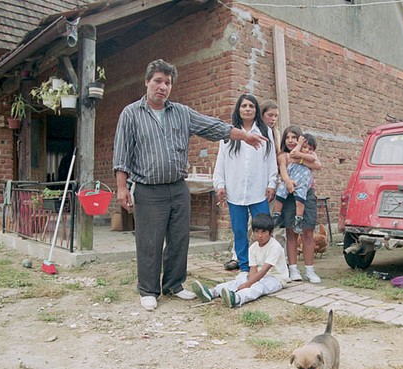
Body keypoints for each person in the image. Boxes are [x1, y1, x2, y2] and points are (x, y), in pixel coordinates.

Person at [113, 59, 268, 311]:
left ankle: (174, 284)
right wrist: (121, 188)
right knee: (149, 241)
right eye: (158, 81)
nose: (163, 87)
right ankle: (148, 290)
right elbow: (121, 154)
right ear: (147, 82)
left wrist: (245, 135)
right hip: (147, 189)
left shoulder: (182, 113)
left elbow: (213, 127)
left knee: (179, 238)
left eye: (168, 82)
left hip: (177, 187)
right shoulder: (131, 114)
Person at [213, 94, 278, 275]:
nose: (248, 109)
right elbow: (221, 162)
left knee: (264, 229)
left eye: (251, 106)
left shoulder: (265, 132)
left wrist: (272, 182)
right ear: (238, 109)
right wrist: (220, 184)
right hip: (235, 190)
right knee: (239, 230)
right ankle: (244, 267)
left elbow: (271, 160)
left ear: (256, 110)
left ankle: (264, 266)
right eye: (244, 106)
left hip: (258, 191)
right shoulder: (229, 133)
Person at [191, 213, 288, 307]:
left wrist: (249, 284)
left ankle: (237, 299)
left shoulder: (274, 247)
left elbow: (264, 270)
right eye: (257, 231)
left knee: (259, 287)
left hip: (276, 278)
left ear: (270, 233)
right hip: (259, 275)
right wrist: (248, 281)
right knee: (240, 280)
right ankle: (212, 292)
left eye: (264, 232)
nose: (260, 235)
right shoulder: (253, 248)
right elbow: (253, 268)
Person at [276, 125, 323, 284]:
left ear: (301, 140)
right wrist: (288, 182)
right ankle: (293, 268)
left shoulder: (307, 153)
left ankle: (310, 270)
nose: (290, 141)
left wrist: (302, 158)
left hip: (306, 194)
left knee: (308, 232)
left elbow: (317, 165)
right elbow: (283, 169)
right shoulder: (283, 155)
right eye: (287, 138)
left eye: (294, 138)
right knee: (291, 232)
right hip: (289, 194)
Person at [272, 133, 318, 234]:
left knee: (300, 200)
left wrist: (300, 157)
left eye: (310, 149)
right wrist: (299, 145)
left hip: (301, 183)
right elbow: (292, 155)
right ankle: (276, 214)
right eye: (304, 147)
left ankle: (299, 219)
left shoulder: (309, 155)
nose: (307, 150)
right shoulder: (287, 154)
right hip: (290, 181)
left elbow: (316, 162)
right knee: (280, 193)